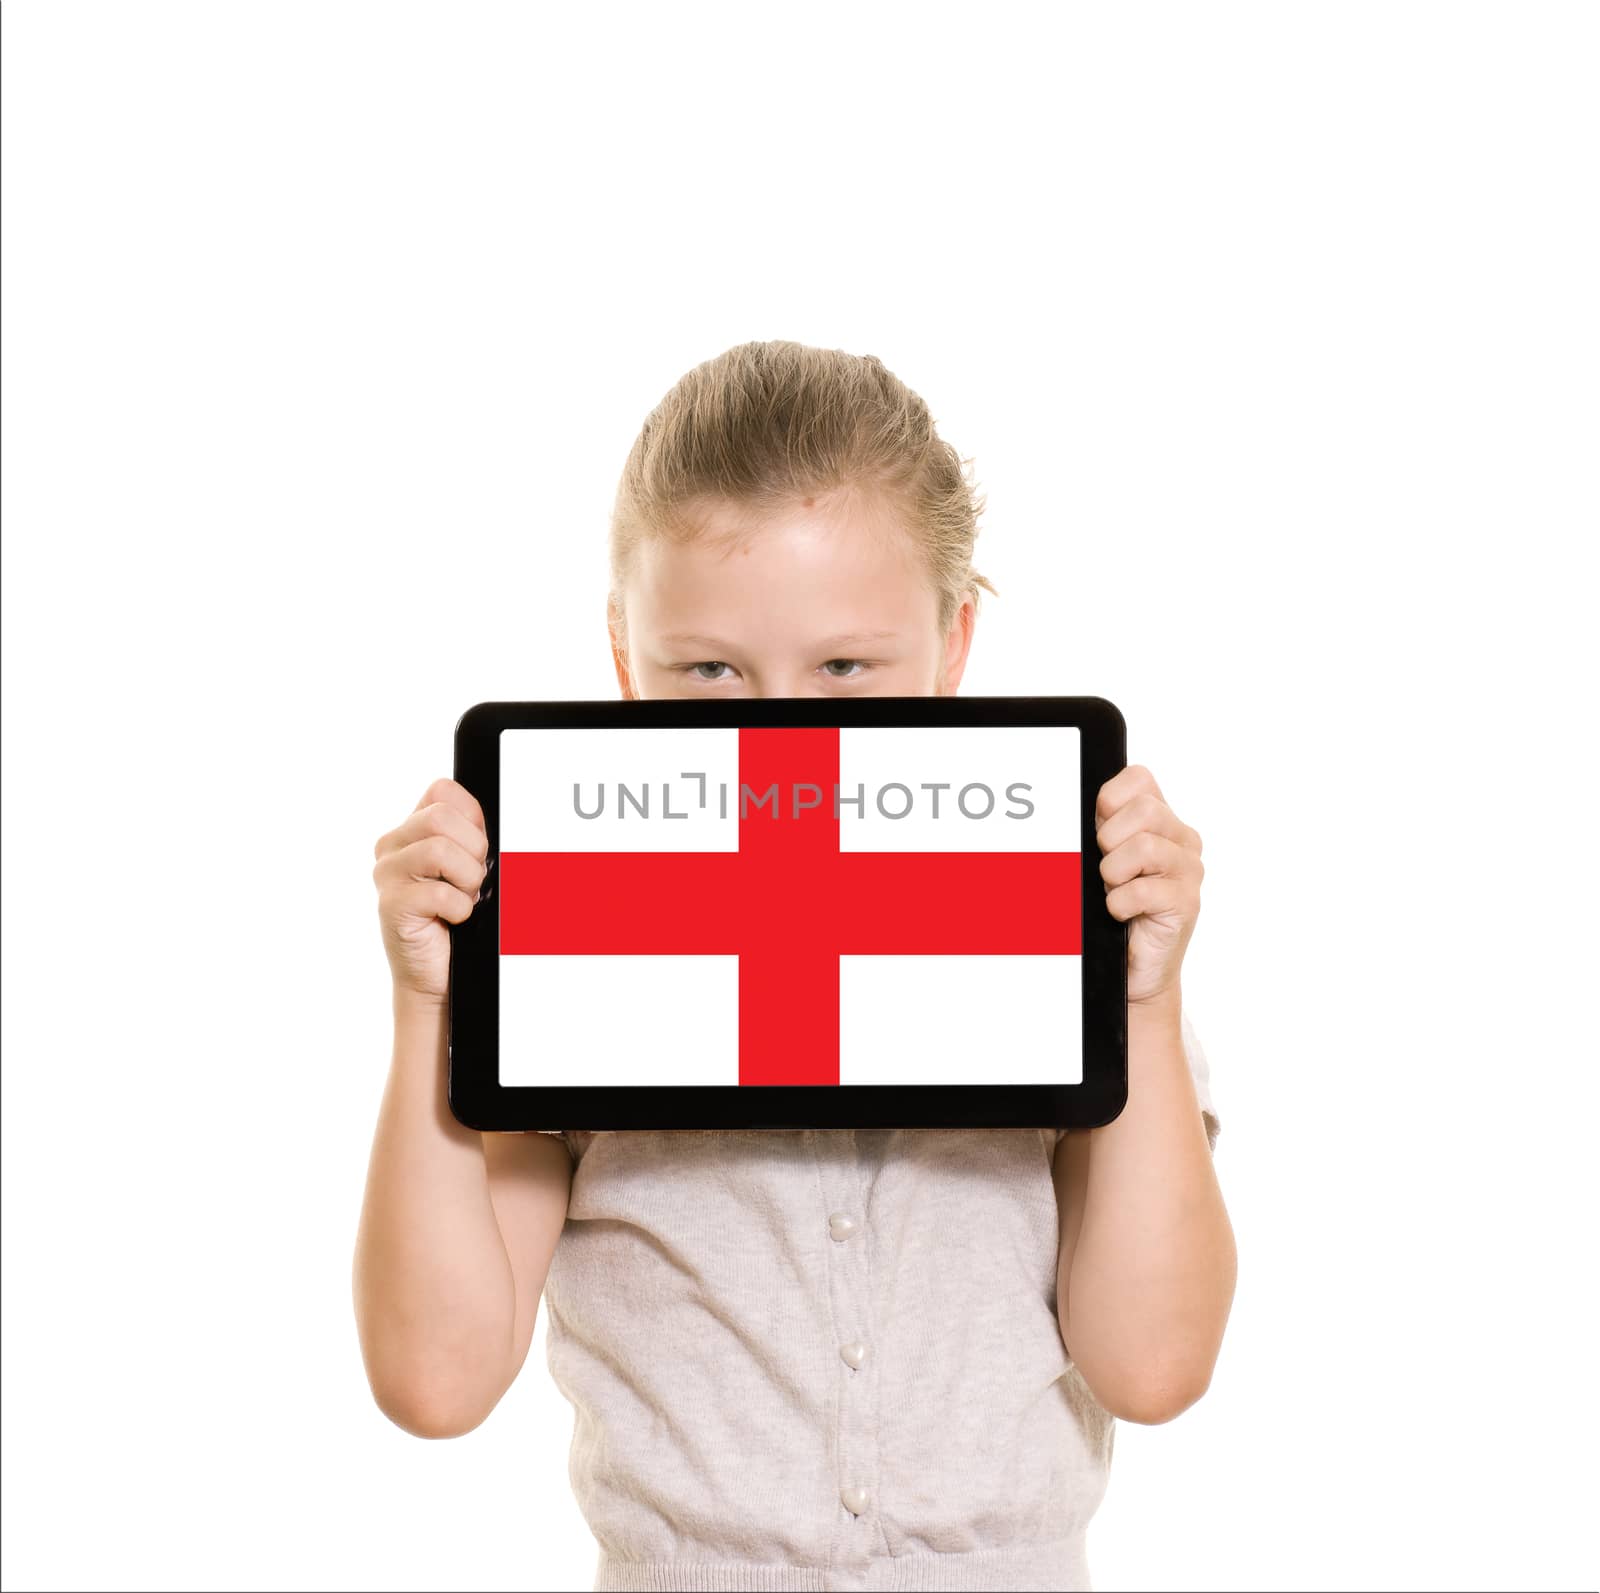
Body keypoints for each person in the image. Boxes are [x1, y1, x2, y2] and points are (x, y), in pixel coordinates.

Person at [357, 340, 1237, 1593]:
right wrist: (427, 1004)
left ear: (952, 647)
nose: (776, 731)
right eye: (707, 670)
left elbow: (1153, 1365)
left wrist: (1141, 997)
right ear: (623, 658)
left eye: (845, 669)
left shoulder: (1058, 930)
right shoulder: (564, 953)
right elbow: (435, 1380)